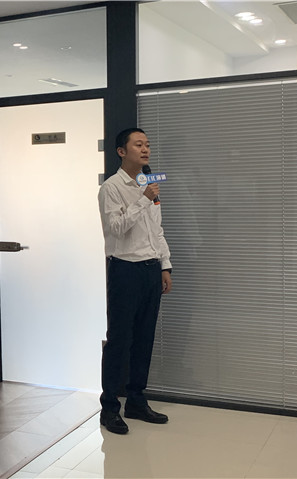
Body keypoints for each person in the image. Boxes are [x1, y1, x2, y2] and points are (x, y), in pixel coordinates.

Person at [97, 127, 173, 435]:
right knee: (119, 340)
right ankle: (109, 408)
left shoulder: (148, 184)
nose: (145, 150)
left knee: (144, 338)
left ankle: (137, 401)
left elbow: (157, 230)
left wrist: (165, 266)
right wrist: (143, 199)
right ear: (121, 151)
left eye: (147, 145)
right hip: (125, 270)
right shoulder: (112, 188)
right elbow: (116, 228)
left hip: (151, 270)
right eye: (138, 144)